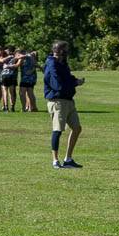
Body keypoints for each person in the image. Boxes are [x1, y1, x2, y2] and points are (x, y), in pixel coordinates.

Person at [44, 41, 84, 169]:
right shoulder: (52, 64)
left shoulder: (62, 63)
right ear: (60, 51)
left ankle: (68, 159)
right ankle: (55, 160)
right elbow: (58, 85)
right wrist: (74, 84)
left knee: (77, 128)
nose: (67, 51)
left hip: (68, 100)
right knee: (58, 130)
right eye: (65, 49)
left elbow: (67, 78)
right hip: (58, 101)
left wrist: (75, 80)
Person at [16, 48, 39, 112]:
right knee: (29, 93)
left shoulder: (28, 56)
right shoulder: (28, 56)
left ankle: (25, 108)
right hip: (28, 78)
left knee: (23, 93)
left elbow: (20, 56)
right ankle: (33, 107)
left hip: (27, 78)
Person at [0, 47, 18, 112]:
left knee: (5, 91)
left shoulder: (4, 57)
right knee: (11, 92)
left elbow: (0, 59)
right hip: (12, 75)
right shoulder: (15, 56)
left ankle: (6, 107)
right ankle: (12, 107)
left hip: (4, 75)